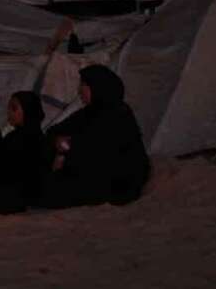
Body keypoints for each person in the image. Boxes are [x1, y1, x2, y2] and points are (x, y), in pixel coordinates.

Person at [41, 65, 150, 208]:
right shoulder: (88, 113)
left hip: (115, 182)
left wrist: (68, 148)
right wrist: (59, 143)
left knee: (49, 190)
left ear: (98, 87)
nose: (79, 90)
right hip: (88, 175)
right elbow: (54, 132)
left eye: (84, 85)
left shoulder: (118, 114)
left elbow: (102, 154)